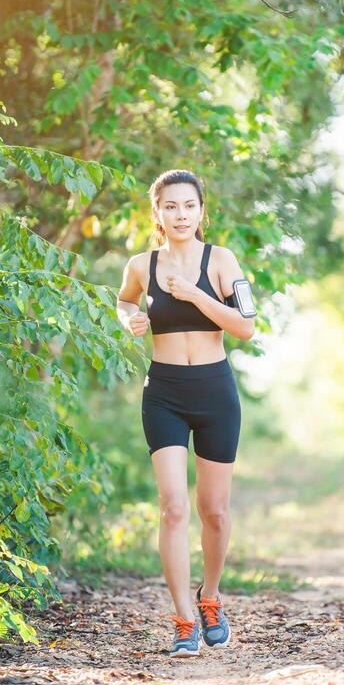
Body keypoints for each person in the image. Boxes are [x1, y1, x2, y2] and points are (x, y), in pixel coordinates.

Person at [116, 169, 256, 659]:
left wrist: (194, 294)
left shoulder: (221, 260)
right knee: (173, 506)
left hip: (216, 391)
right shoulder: (141, 264)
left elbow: (246, 328)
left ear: (201, 211)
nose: (180, 215)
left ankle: (211, 598)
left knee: (213, 511)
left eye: (188, 206)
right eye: (170, 206)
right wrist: (130, 319)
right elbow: (124, 299)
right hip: (165, 392)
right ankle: (182, 620)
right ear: (157, 213)